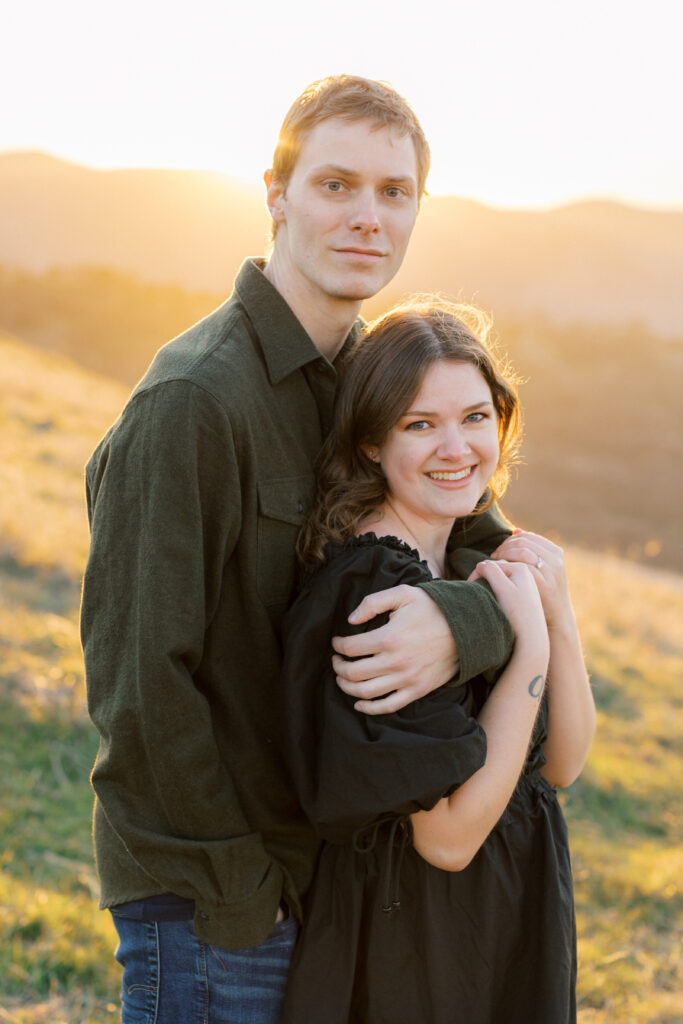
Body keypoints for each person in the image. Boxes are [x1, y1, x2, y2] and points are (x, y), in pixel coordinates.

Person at [81, 77, 517, 1023]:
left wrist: (466, 622)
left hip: (320, 888)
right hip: (217, 907)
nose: (367, 217)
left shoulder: (367, 380)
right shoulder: (194, 402)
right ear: (275, 195)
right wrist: (240, 889)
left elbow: (481, 543)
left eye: (393, 193)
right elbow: (139, 688)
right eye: (335, 185)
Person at [280, 299, 596, 1024]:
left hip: (498, 921)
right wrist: (527, 656)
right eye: (419, 424)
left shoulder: (461, 558)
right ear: (369, 442)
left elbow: (560, 766)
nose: (455, 448)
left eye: (474, 417)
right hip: (416, 946)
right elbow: (447, 837)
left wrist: (557, 614)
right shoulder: (376, 593)